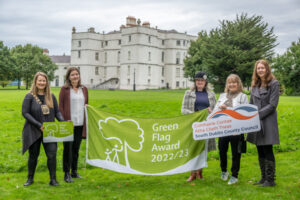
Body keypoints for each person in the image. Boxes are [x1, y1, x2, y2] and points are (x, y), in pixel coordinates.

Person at [22, 72, 64, 186]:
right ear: (35, 82)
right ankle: (30, 178)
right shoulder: (29, 96)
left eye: (44, 81)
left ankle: (53, 179)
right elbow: (25, 113)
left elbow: (57, 112)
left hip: (50, 131)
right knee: (33, 156)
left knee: (52, 155)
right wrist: (38, 125)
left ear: (47, 82)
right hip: (33, 130)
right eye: (39, 80)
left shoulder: (51, 96)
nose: (42, 83)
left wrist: (63, 121)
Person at [247, 59, 280, 187]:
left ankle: (271, 180)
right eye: (258, 68)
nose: (260, 70)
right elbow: (251, 104)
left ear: (267, 69)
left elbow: (273, 105)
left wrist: (257, 114)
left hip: (267, 121)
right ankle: (263, 178)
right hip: (256, 123)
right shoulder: (255, 85)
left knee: (267, 149)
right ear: (256, 70)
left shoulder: (274, 84)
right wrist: (248, 115)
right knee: (260, 149)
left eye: (262, 68)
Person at [181, 71, 217, 182]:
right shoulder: (188, 93)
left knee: (203, 149)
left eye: (202, 80)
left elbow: (216, 112)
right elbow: (183, 110)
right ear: (195, 81)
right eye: (198, 80)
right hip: (193, 125)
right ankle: (192, 173)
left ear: (205, 82)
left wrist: (211, 112)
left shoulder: (211, 95)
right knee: (193, 149)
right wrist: (194, 114)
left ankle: (200, 172)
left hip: (206, 126)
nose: (200, 82)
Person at [214, 74, 248, 185]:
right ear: (227, 85)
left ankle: (234, 175)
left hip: (236, 130)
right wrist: (213, 111)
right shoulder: (222, 96)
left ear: (238, 84)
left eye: (234, 82)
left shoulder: (243, 96)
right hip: (223, 129)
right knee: (222, 151)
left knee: (235, 153)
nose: (232, 84)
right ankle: (224, 171)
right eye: (229, 82)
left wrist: (227, 108)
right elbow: (216, 110)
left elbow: (244, 113)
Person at [59, 67, 88, 183]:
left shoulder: (84, 89)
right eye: (72, 75)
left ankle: (74, 171)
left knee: (76, 148)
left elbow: (86, 104)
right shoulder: (64, 89)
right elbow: (60, 107)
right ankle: (66, 173)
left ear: (79, 76)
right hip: (68, 124)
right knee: (68, 149)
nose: (75, 76)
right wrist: (63, 121)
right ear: (68, 77)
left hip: (80, 123)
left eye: (77, 74)